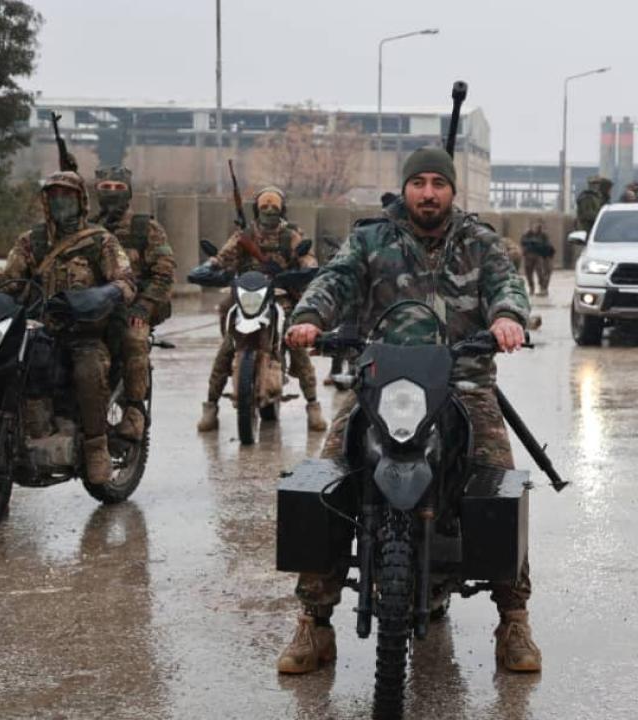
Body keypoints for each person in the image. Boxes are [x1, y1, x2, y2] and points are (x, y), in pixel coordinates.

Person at [279, 147, 539, 675]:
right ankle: (314, 621)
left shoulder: (479, 242)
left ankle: (514, 619)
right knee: (328, 480)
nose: (427, 193)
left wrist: (509, 318)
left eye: (437, 184)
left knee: (497, 485)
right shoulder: (371, 239)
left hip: (464, 383)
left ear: (451, 190)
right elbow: (335, 279)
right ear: (405, 188)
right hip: (379, 382)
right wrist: (309, 316)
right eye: (417, 182)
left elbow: (507, 287)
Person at [0, 171, 136, 484]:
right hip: (38, 330)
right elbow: (8, 280)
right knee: (7, 364)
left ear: (81, 199)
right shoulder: (32, 242)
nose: (60, 202)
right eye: (53, 195)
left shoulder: (101, 241)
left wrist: (104, 293)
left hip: (85, 334)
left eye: (67, 195)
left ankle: (96, 445)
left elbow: (125, 280)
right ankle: (23, 432)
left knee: (88, 369)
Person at [196, 186, 326, 433]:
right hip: (247, 295)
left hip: (279, 294)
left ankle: (313, 405)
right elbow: (222, 257)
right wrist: (209, 267)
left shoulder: (290, 235)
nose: (269, 209)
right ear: (256, 209)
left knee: (295, 337)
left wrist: (306, 268)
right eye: (264, 205)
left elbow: (308, 258)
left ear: (282, 208)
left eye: (274, 204)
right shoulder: (244, 235)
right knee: (226, 345)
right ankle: (211, 406)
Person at [92, 166, 175, 441]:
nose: (112, 193)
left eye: (118, 188)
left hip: (135, 304)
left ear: (128, 192)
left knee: (133, 339)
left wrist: (144, 307)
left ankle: (135, 411)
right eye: (106, 187)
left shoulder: (145, 227)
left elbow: (164, 272)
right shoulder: (88, 228)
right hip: (94, 305)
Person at [521, 220, 554, 296]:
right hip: (529, 255)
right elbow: (523, 241)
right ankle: (531, 288)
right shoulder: (527, 234)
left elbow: (546, 245)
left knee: (540, 273)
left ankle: (543, 288)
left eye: (538, 226)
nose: (536, 228)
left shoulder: (543, 235)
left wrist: (535, 243)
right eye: (535, 226)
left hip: (539, 256)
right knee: (528, 273)